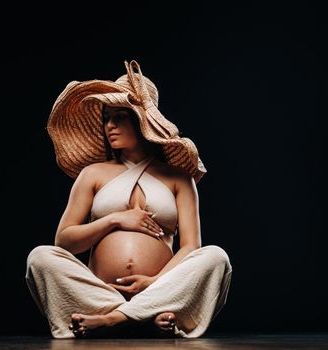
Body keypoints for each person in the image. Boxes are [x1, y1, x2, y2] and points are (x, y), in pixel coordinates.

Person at [26, 60, 233, 339]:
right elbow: (64, 241)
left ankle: (115, 318)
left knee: (216, 257)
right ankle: (143, 315)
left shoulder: (178, 178)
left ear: (142, 120)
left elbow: (190, 247)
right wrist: (114, 219)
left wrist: (154, 281)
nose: (109, 125)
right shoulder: (93, 174)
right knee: (40, 257)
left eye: (119, 117)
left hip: (157, 286)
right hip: (100, 289)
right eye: (106, 118)